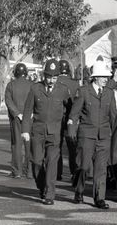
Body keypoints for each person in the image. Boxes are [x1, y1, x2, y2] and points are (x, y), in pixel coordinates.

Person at [21, 59, 71, 206]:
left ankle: (49, 193)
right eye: (49, 77)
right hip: (38, 131)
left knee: (51, 162)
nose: (51, 80)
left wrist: (70, 126)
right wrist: (25, 130)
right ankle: (42, 186)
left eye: (54, 77)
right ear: (44, 76)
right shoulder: (35, 89)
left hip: (55, 132)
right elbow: (27, 110)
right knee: (36, 162)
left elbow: (69, 110)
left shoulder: (63, 90)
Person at [68, 59, 116, 209]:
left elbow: (113, 116)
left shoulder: (109, 93)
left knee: (101, 168)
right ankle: (79, 191)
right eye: (103, 77)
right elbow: (74, 114)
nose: (105, 80)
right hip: (86, 135)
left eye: (107, 77)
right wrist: (71, 132)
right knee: (83, 166)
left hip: (103, 136)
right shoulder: (83, 91)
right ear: (95, 77)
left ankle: (99, 198)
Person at [4, 63, 33, 179]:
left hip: (16, 118)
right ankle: (30, 171)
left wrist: (16, 113)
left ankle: (17, 171)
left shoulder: (11, 85)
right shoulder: (32, 85)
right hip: (29, 117)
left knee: (16, 144)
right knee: (29, 144)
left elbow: (8, 101)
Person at [56, 60, 79, 181]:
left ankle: (57, 173)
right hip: (71, 118)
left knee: (57, 146)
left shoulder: (56, 82)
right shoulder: (74, 83)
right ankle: (73, 172)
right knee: (72, 147)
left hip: (58, 118)